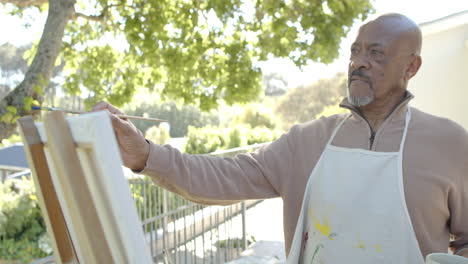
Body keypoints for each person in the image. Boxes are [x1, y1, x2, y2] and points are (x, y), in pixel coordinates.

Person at [92, 13, 468, 263]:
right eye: (355, 52)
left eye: (376, 53)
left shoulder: (450, 144)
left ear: (411, 66)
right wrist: (144, 155)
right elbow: (221, 176)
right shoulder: (306, 141)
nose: (359, 62)